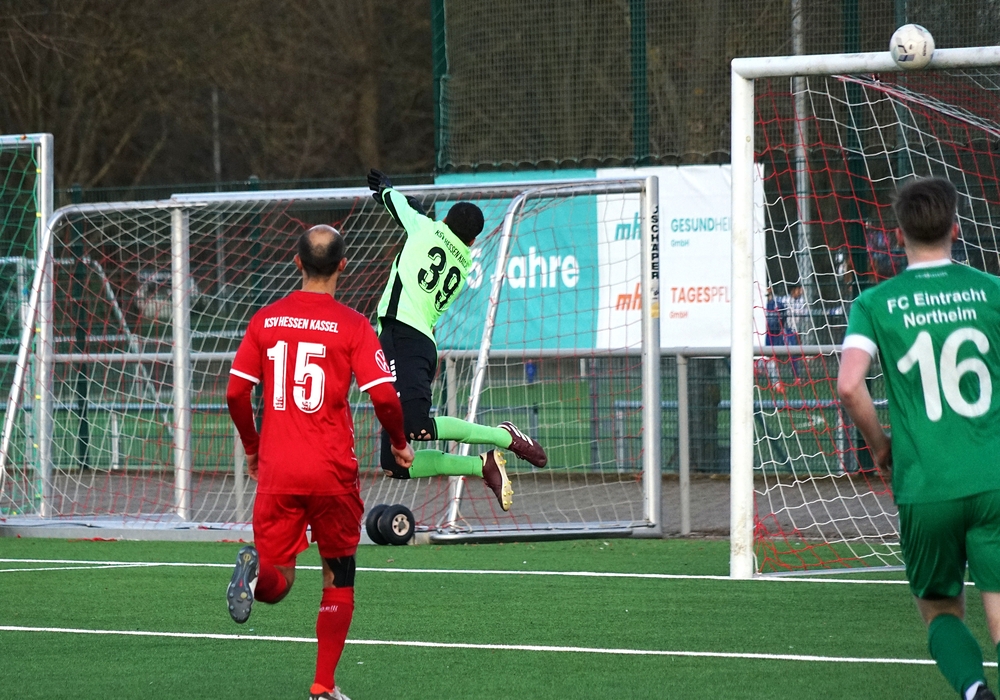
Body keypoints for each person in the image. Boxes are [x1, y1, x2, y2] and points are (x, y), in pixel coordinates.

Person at [225, 225, 415, 700]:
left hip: (278, 471)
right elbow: (385, 398)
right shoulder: (352, 325)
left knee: (280, 579)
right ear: (342, 266)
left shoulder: (266, 319)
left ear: (297, 263)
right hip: (332, 473)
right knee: (339, 573)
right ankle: (322, 685)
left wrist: (252, 447)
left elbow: (235, 392)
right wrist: (398, 442)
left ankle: (254, 574)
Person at [838, 177, 1000, 700]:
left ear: (899, 234)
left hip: (925, 483)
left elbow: (849, 385)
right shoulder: (992, 291)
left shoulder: (874, 303)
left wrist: (880, 445)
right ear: (956, 228)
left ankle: (974, 691)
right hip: (994, 476)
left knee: (940, 609)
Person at [367, 169, 547, 512]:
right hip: (409, 342)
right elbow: (426, 228)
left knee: (416, 426)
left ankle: (503, 436)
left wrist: (387, 189)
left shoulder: (424, 227)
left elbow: (395, 203)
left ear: (445, 219)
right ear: (472, 242)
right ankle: (481, 465)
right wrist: (416, 212)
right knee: (393, 462)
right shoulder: (463, 262)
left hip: (405, 339)